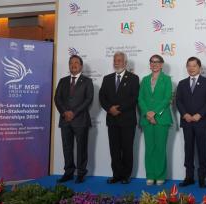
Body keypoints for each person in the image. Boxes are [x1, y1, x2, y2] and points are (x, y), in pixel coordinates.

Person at [99, 52, 140, 184]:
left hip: (127, 120)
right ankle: (116, 174)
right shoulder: (107, 78)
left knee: (127, 149)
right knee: (114, 150)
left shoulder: (133, 78)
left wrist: (119, 109)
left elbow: (134, 98)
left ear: (125, 63)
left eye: (119, 60)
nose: (116, 62)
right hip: (112, 120)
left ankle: (126, 175)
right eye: (115, 60)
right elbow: (102, 97)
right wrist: (109, 109)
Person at [54, 55, 94, 184]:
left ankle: (81, 173)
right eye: (71, 63)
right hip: (65, 119)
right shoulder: (62, 80)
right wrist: (64, 112)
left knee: (81, 148)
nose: (73, 65)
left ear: (81, 66)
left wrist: (74, 112)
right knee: (67, 147)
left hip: (80, 120)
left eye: (76, 63)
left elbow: (89, 99)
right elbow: (57, 98)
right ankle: (68, 172)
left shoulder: (87, 81)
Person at [176, 57, 206, 188]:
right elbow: (178, 101)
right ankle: (189, 177)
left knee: (202, 150)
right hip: (187, 122)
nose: (191, 68)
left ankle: (202, 178)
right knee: (188, 150)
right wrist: (185, 114)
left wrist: (199, 114)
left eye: (194, 66)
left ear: (199, 68)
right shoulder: (181, 83)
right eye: (189, 66)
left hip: (201, 122)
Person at [138, 54, 173, 186]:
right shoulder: (145, 80)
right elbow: (140, 99)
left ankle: (160, 175)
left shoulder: (167, 79)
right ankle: (150, 175)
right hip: (147, 119)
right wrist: (148, 113)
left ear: (162, 64)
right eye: (152, 62)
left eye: (157, 62)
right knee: (149, 148)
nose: (154, 64)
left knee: (160, 148)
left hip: (161, 119)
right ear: (150, 64)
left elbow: (167, 98)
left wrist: (154, 113)